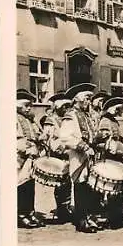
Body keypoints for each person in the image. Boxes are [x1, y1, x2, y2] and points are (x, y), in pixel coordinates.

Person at [58, 83, 101, 233]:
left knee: (89, 187)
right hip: (79, 156)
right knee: (81, 186)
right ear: (78, 99)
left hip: (90, 155)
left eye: (90, 99)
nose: (89, 102)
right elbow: (65, 137)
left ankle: (88, 217)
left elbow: (91, 134)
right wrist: (83, 146)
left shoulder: (87, 115)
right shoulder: (71, 115)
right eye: (87, 98)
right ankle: (81, 220)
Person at [93, 96, 123, 229]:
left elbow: (117, 136)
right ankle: (114, 217)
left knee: (120, 188)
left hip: (117, 157)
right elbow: (105, 141)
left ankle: (120, 213)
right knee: (114, 189)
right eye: (120, 108)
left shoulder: (113, 120)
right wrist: (120, 150)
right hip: (110, 157)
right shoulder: (105, 121)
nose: (122, 110)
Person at [40, 91, 73, 224]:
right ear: (58, 107)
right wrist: (59, 147)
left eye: (68, 107)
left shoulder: (67, 119)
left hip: (68, 155)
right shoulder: (50, 120)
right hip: (57, 156)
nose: (66, 109)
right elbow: (48, 139)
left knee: (67, 183)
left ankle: (66, 207)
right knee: (60, 184)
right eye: (64, 107)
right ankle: (61, 209)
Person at [17, 89, 46, 229]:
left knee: (30, 186)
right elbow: (17, 139)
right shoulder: (14, 117)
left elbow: (36, 134)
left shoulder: (30, 119)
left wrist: (41, 138)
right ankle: (20, 215)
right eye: (26, 105)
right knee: (21, 185)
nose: (29, 108)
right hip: (19, 158)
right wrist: (28, 148)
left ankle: (30, 212)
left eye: (30, 105)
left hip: (31, 156)